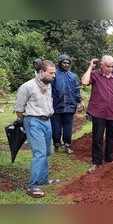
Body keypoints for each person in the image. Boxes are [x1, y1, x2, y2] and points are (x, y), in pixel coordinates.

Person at [15, 60, 59, 198]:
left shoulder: (48, 85)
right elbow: (19, 110)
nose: (54, 76)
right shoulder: (27, 87)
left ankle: (43, 179)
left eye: (54, 73)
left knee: (46, 152)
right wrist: (26, 123)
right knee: (39, 153)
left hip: (47, 121)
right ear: (41, 72)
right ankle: (32, 186)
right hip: (33, 121)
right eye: (51, 73)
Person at [81, 55, 113, 173]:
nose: (111, 68)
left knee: (111, 137)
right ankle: (96, 162)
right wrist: (90, 67)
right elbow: (84, 82)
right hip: (98, 113)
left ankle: (109, 160)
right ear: (102, 65)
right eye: (108, 66)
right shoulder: (95, 75)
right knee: (97, 138)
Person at [51, 54, 82, 154]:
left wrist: (79, 101)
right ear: (60, 63)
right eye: (64, 62)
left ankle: (67, 145)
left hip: (70, 106)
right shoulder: (54, 74)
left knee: (68, 127)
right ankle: (56, 144)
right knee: (56, 127)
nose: (66, 64)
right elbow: (49, 90)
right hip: (56, 105)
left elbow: (77, 90)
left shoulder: (73, 76)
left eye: (68, 63)